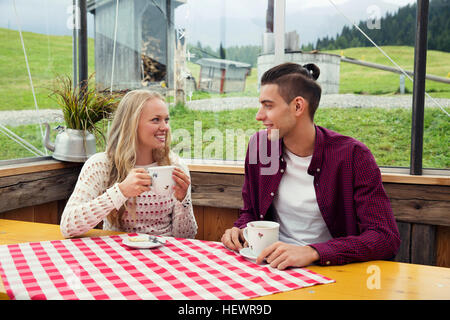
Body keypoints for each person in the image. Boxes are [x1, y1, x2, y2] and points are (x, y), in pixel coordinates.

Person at [221, 62, 400, 269]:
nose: (259, 115)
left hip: (331, 270)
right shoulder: (260, 146)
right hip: (271, 266)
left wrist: (313, 252)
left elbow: (385, 237)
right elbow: (251, 212)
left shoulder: (354, 156)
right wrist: (240, 229)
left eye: (268, 106)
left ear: (298, 106)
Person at [60, 89, 197, 239]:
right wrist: (121, 191)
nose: (165, 127)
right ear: (132, 124)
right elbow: (68, 226)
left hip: (164, 253)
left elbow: (187, 237)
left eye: (166, 120)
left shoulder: (176, 166)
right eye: (156, 120)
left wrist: (182, 201)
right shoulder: (100, 165)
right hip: (117, 255)